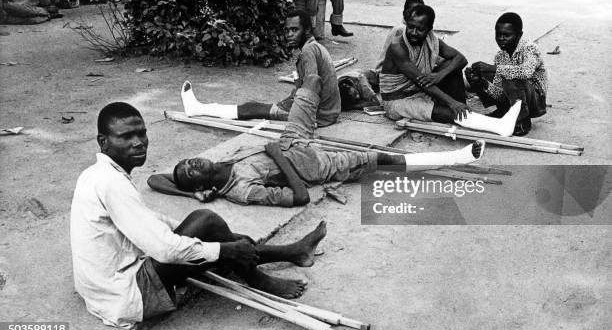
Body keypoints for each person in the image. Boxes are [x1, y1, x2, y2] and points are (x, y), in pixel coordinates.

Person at [71, 102, 328, 328]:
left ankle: (293, 251)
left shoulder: (98, 174)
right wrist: (225, 249)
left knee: (212, 234)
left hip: (102, 287)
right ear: (103, 142)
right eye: (126, 136)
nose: (138, 142)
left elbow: (148, 220)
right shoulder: (111, 184)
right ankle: (259, 277)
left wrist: (217, 240)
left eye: (141, 133)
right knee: (207, 221)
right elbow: (165, 251)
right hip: (127, 293)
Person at [149, 71, 487, 205]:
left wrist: (189, 192)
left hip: (290, 141)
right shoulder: (240, 190)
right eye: (191, 170)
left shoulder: (213, 173)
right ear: (201, 184)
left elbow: (154, 179)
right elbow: (299, 198)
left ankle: (331, 92)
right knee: (378, 159)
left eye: (187, 161)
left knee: (311, 84)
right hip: (311, 165)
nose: (191, 162)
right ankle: (457, 158)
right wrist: (279, 156)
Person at [380, 4, 522, 136]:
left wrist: (439, 75)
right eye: (410, 27)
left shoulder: (430, 39)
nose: (413, 32)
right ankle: (499, 126)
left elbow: (461, 59)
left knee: (451, 65)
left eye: (420, 29)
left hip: (419, 91)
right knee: (448, 112)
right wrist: (452, 103)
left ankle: (464, 110)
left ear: (429, 29)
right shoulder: (397, 47)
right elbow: (421, 82)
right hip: (397, 101)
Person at [180, 10, 341, 127]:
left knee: (252, 107)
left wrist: (304, 119)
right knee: (261, 105)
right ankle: (200, 108)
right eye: (287, 31)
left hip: (318, 116)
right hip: (329, 112)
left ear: (306, 30)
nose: (289, 35)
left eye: (294, 30)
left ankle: (197, 108)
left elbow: (312, 86)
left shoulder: (308, 52)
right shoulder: (315, 47)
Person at [465, 12, 547, 136]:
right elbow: (500, 93)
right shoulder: (500, 56)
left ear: (519, 35)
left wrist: (493, 68)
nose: (501, 39)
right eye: (498, 35)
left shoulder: (530, 48)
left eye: (506, 35)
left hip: (535, 102)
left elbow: (526, 71)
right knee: (486, 76)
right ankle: (504, 112)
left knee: (511, 76)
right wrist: (480, 82)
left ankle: (522, 121)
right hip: (515, 96)